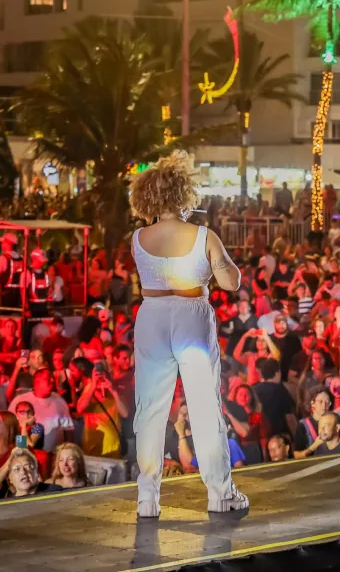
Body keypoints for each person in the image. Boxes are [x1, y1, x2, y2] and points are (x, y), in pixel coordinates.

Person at [129, 151, 248, 518]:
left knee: (150, 409)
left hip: (150, 317)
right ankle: (219, 493)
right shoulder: (203, 235)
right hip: (191, 317)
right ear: (185, 195)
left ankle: (147, 499)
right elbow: (231, 282)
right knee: (204, 406)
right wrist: (216, 261)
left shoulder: (137, 237)